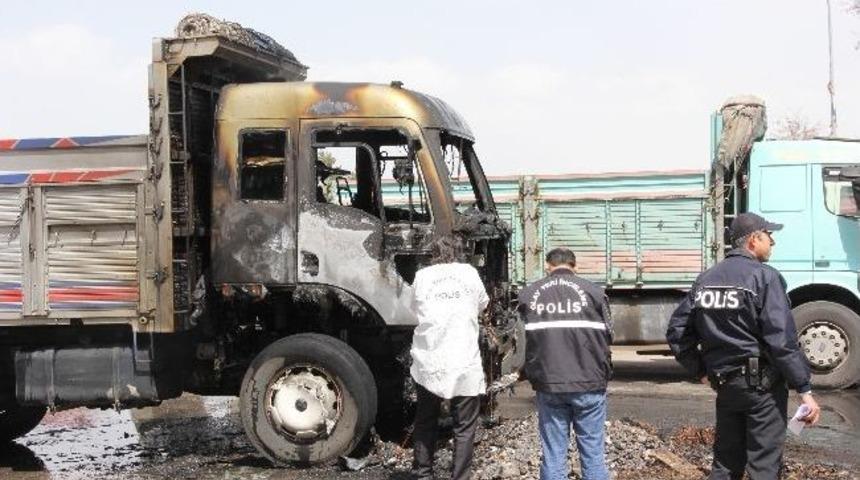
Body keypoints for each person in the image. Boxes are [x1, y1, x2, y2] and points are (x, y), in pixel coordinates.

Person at [666, 212, 821, 480]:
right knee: (763, 467)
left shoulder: (706, 279)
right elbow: (780, 340)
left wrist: (701, 371)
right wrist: (804, 389)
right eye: (768, 235)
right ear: (753, 240)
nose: (772, 242)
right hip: (762, 389)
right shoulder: (765, 278)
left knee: (726, 465)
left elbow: (677, 332)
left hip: (726, 385)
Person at [517, 247, 612, 480]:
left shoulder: (529, 294)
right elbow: (608, 337)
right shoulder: (595, 293)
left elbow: (521, 342)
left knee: (553, 455)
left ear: (547, 267)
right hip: (589, 383)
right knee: (593, 455)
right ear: (575, 266)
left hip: (549, 384)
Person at [409, 234, 489, 480]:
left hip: (429, 360)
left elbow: (414, 309)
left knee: (425, 420)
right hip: (464, 359)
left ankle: (424, 474)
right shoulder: (469, 273)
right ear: (460, 251)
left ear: (433, 253)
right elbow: (482, 303)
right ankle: (460, 476)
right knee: (464, 426)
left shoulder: (422, 276)